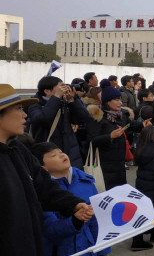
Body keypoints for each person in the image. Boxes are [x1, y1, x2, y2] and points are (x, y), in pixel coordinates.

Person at [0, 84, 95, 255]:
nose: (25, 115)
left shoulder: (17, 149)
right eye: (19, 109)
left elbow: (43, 187)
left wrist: (74, 204)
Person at [29, 142, 111, 256]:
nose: (62, 155)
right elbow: (50, 230)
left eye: (61, 152)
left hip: (88, 249)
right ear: (42, 168)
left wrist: (103, 250)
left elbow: (96, 221)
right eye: (53, 155)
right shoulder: (43, 192)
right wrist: (75, 220)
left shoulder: (85, 181)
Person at [86, 79, 152, 189]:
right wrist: (109, 137)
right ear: (107, 101)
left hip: (120, 164)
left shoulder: (122, 115)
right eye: (116, 99)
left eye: (120, 99)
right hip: (103, 165)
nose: (120, 102)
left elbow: (131, 125)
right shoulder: (97, 117)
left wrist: (142, 125)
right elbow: (90, 141)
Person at [29, 76, 90, 169]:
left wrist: (72, 100)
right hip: (50, 155)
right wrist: (56, 97)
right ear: (47, 91)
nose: (64, 89)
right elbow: (42, 119)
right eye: (60, 87)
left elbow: (83, 119)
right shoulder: (35, 105)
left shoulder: (64, 103)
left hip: (71, 154)